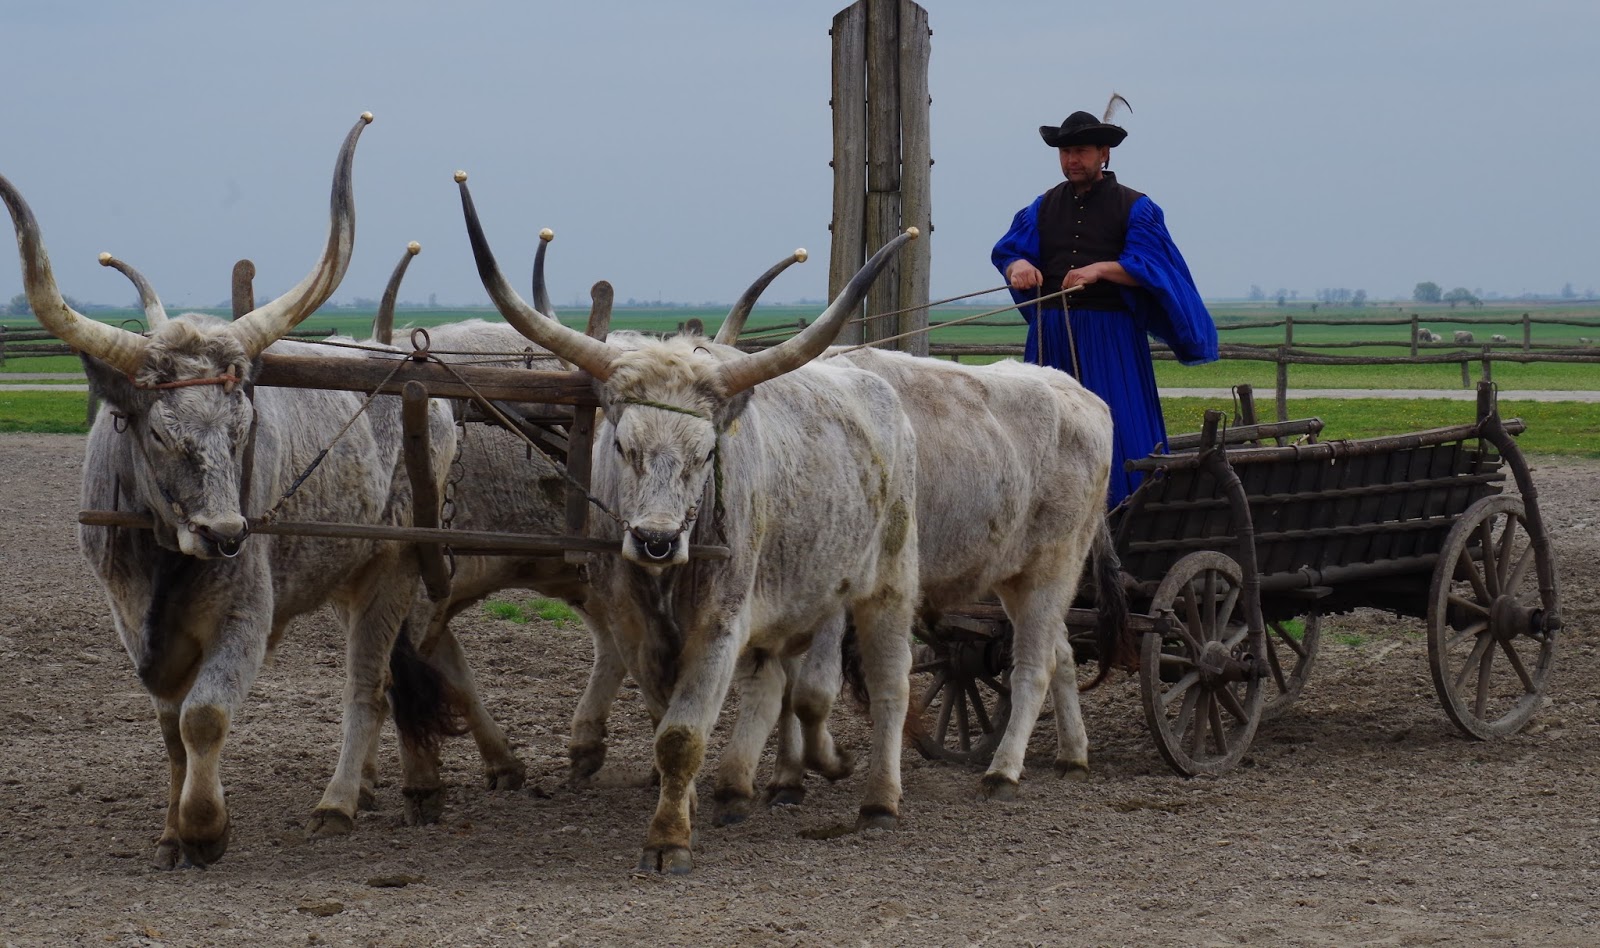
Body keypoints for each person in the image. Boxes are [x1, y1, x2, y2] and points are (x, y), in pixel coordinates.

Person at [992, 98, 1217, 507]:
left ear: (1104, 153)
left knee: (1118, 424)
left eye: (1080, 151)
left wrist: (1101, 269)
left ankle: (1130, 511)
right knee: (1042, 429)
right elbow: (1010, 250)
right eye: (1065, 151)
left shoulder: (1136, 207)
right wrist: (1018, 265)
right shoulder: (1042, 206)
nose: (1071, 160)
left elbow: (1153, 267)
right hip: (1051, 336)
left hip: (1110, 337)